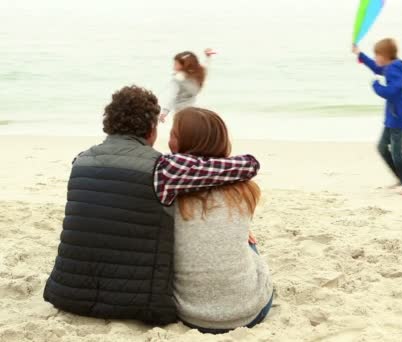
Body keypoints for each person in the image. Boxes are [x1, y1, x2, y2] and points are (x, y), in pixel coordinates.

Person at [43, 86, 260, 325]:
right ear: (152, 129)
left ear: (109, 123)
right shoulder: (163, 168)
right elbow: (248, 165)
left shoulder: (80, 161)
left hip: (66, 294)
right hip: (135, 304)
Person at [153, 107, 273, 333]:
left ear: (184, 142)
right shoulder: (246, 189)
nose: (168, 139)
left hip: (191, 315)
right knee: (249, 241)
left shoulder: (167, 190)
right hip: (250, 313)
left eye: (173, 134)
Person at [353, 38, 402, 195]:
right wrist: (360, 54)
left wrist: (376, 86)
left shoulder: (394, 70)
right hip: (392, 118)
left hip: (398, 118)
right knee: (382, 147)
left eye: (377, 55)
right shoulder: (390, 67)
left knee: (397, 154)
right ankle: (401, 178)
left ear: (385, 56)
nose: (376, 58)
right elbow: (376, 67)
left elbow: (394, 90)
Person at [159, 49, 214, 123]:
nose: (173, 67)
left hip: (180, 114)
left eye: (176, 64)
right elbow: (206, 68)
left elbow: (171, 97)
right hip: (193, 112)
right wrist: (208, 57)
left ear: (184, 65)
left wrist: (164, 113)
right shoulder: (197, 77)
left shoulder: (178, 79)